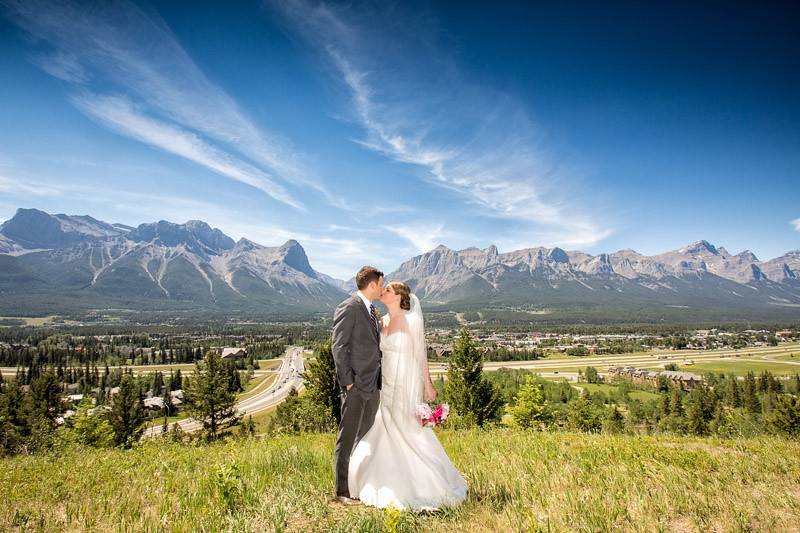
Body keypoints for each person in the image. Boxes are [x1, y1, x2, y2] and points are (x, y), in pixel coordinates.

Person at [347, 281, 468, 511]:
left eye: (389, 290)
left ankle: (426, 483)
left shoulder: (410, 322)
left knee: (407, 428)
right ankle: (382, 477)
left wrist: (428, 386)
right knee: (386, 426)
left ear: (399, 296)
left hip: (405, 384)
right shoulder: (381, 321)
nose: (384, 292)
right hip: (388, 384)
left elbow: (421, 358)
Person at [331, 265, 384, 505]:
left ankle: (358, 483)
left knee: (365, 437)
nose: (382, 288)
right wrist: (348, 382)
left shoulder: (372, 311)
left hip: (372, 385)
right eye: (381, 284)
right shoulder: (349, 307)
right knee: (348, 436)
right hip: (355, 386)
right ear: (372, 284)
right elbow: (339, 347)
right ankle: (342, 491)